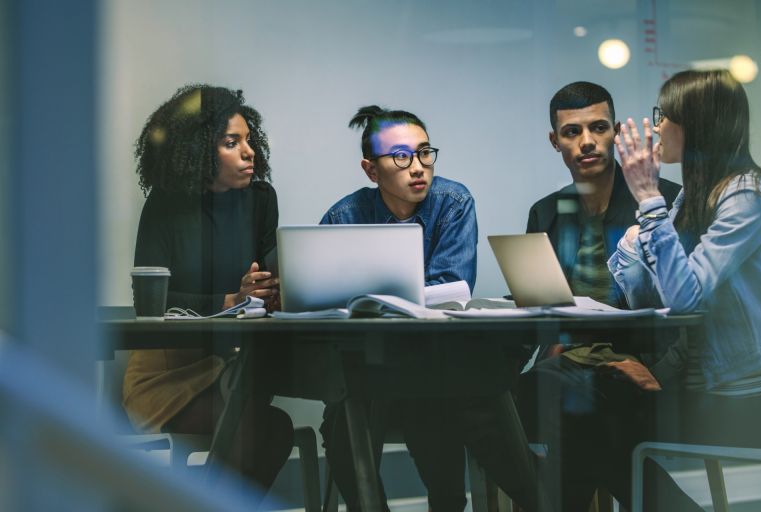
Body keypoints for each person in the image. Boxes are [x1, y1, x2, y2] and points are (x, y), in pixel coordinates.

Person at [320, 106, 546, 511]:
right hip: (372, 366)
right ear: (371, 171)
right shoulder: (344, 216)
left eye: (425, 153)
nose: (418, 167)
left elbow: (451, 286)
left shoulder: (452, 202)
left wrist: (374, 298)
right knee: (343, 415)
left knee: (449, 394)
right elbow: (322, 297)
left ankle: (518, 499)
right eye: (401, 157)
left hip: (440, 360)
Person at [515, 82, 682, 511]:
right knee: (569, 413)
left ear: (617, 131)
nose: (586, 141)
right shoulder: (546, 212)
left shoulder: (661, 199)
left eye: (598, 127)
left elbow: (691, 299)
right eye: (572, 132)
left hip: (638, 370)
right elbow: (537, 307)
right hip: (566, 372)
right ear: (555, 141)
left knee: (574, 419)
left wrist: (661, 368)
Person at [122, 85, 293, 498]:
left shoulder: (261, 199)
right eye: (232, 143)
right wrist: (228, 302)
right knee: (255, 429)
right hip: (168, 372)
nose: (249, 152)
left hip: (236, 360)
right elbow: (151, 301)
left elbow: (269, 276)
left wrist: (267, 289)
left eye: (249, 140)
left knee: (272, 427)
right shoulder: (165, 204)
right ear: (199, 151)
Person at [609, 69, 761, 510]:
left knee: (603, 431)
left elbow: (684, 299)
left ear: (695, 124)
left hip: (747, 395)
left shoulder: (747, 197)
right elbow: (655, 303)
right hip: (701, 381)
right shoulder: (694, 196)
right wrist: (634, 242)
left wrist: (646, 195)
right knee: (589, 418)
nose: (657, 126)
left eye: (665, 116)